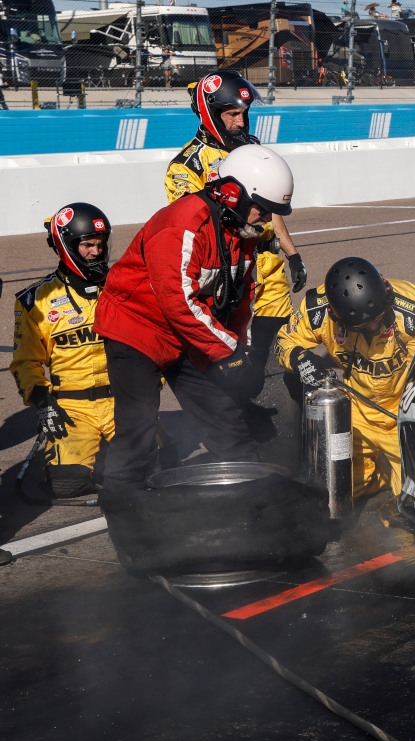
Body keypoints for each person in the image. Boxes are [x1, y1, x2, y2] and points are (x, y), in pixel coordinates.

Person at [96, 145, 295, 490]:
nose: (267, 220)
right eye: (263, 210)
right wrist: (227, 352)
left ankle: (256, 492)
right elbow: (179, 302)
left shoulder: (243, 233)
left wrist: (240, 351)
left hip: (188, 333)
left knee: (224, 414)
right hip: (136, 329)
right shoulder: (182, 224)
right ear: (233, 194)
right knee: (138, 427)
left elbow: (240, 299)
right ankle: (124, 501)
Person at [166, 70, 307, 392]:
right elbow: (193, 228)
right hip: (232, 272)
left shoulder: (253, 147)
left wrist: (293, 254)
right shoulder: (186, 166)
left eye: (244, 113)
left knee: (278, 347)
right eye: (232, 114)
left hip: (268, 267)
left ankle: (279, 407)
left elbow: (270, 206)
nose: (241, 122)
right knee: (238, 361)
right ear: (211, 113)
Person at [275, 257, 415, 499]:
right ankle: (380, 474)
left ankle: (393, 473)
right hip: (356, 410)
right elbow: (284, 340)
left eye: (378, 318)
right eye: (362, 325)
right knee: (334, 489)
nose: (373, 326)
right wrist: (300, 359)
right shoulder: (318, 310)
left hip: (403, 413)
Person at [10, 203, 115, 499]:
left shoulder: (124, 287)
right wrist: (42, 401)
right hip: (72, 409)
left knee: (141, 471)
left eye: (100, 244)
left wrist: (150, 387)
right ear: (66, 247)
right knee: (67, 485)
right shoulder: (34, 300)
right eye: (87, 245)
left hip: (124, 402)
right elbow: (25, 363)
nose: (96, 252)